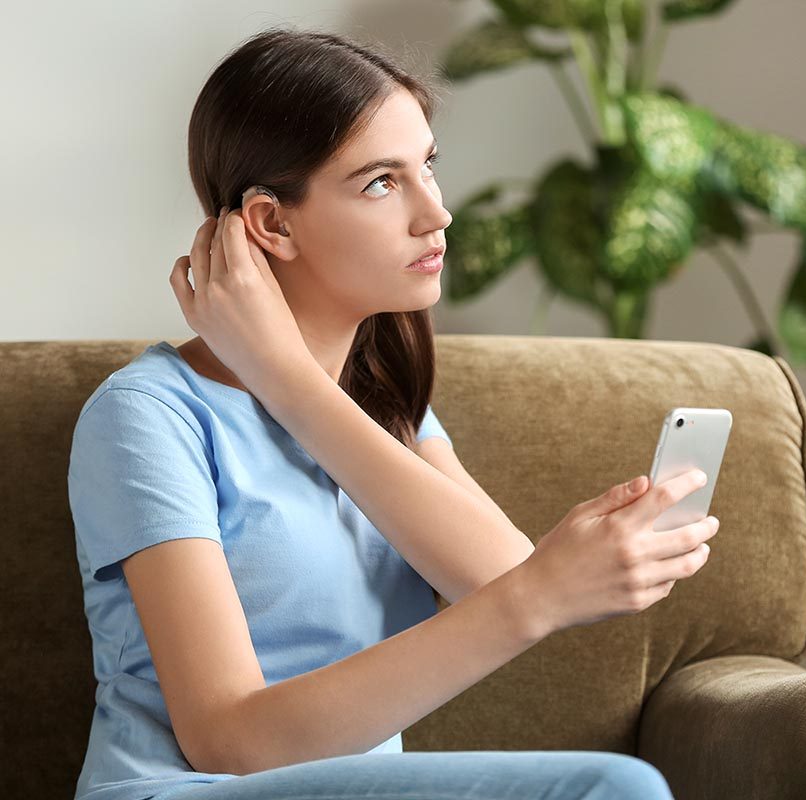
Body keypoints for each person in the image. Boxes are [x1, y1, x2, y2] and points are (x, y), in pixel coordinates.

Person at [69, 25, 716, 800]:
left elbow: (497, 577)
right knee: (613, 790)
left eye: (427, 169)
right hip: (181, 791)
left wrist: (297, 391)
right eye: (382, 182)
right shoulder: (146, 417)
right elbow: (229, 739)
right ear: (272, 225)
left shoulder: (385, 408)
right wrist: (284, 377)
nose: (435, 214)